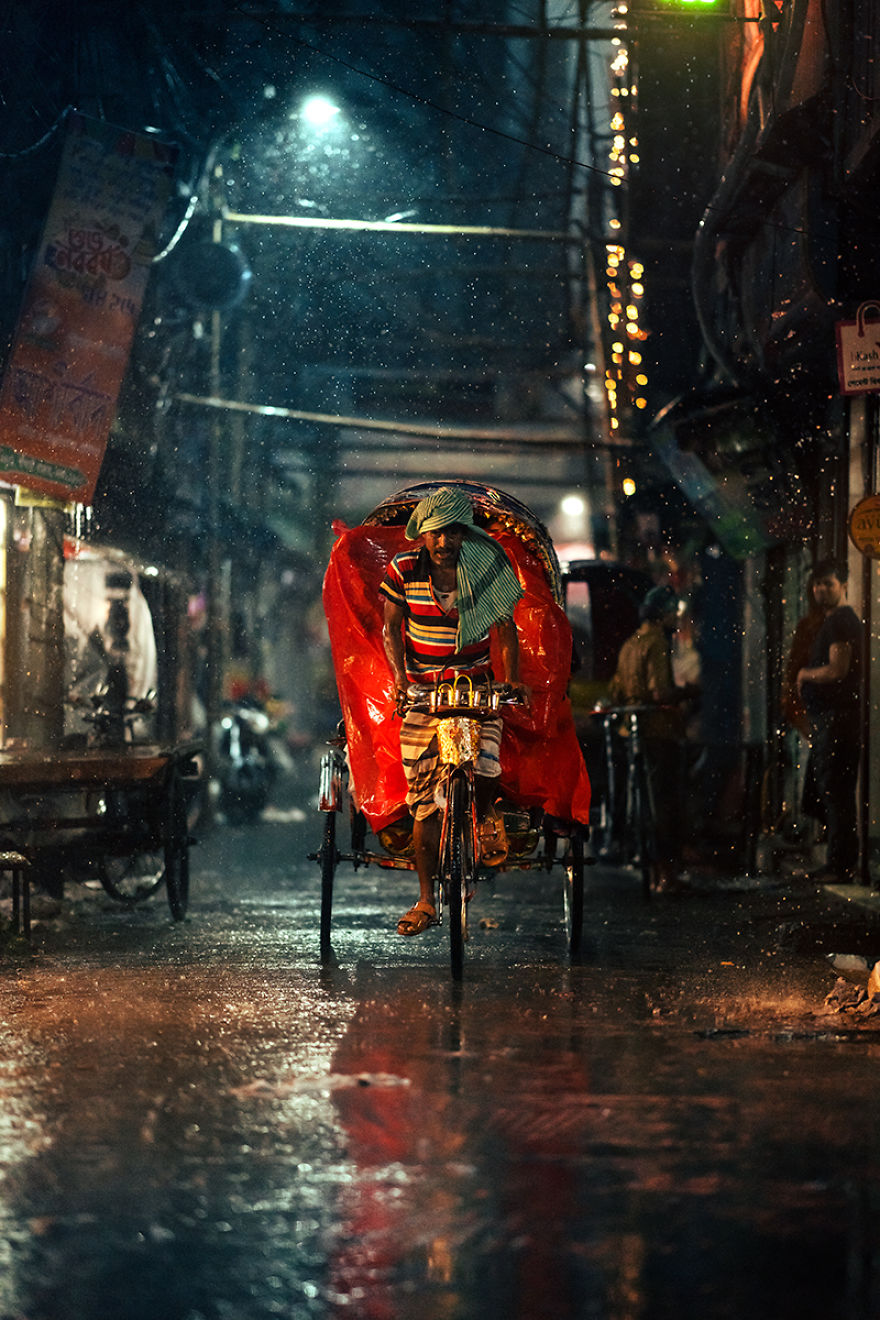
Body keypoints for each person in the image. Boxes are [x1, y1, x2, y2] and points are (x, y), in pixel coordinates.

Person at [379, 487, 530, 936]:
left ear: (465, 533)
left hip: (475, 688)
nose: (444, 542)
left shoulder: (484, 566)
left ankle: (483, 817)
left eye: (453, 532)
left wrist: (511, 679)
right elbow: (390, 629)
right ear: (423, 535)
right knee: (425, 802)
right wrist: (401, 681)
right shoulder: (403, 569)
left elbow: (505, 627)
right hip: (425, 691)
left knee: (486, 765)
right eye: (436, 533)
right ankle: (426, 899)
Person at [606, 584, 692, 891]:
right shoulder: (657, 642)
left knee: (643, 802)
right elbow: (660, 692)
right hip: (658, 732)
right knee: (664, 802)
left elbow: (615, 692)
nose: (676, 619)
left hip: (631, 733)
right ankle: (666, 873)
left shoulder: (631, 643)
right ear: (662, 614)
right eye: (673, 613)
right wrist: (688, 692)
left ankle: (652, 870)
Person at [795, 558, 863, 883]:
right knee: (833, 790)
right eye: (817, 584)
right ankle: (838, 862)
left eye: (828, 584)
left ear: (844, 585)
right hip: (834, 719)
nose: (821, 589)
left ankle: (840, 865)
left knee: (836, 791)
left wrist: (805, 674)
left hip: (837, 721)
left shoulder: (841, 622)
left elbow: (838, 669)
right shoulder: (835, 621)